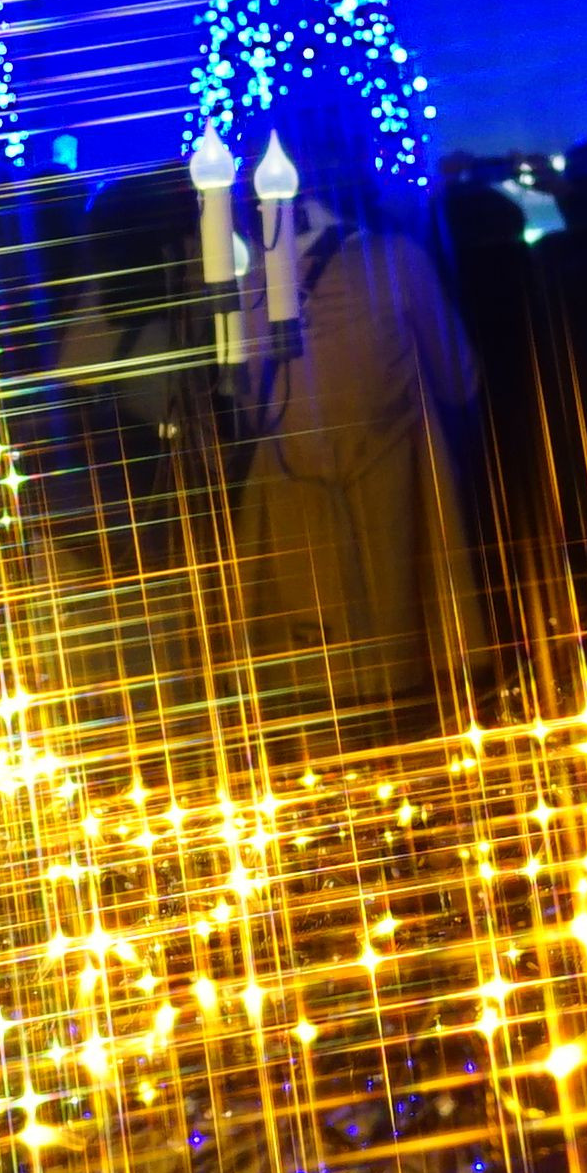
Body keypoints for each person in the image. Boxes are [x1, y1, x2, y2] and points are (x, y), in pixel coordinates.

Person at [234, 86, 487, 742]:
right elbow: (459, 378)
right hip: (395, 498)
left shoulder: (251, 279)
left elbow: (248, 403)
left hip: (291, 512)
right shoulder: (396, 261)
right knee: (406, 699)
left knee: (317, 696)